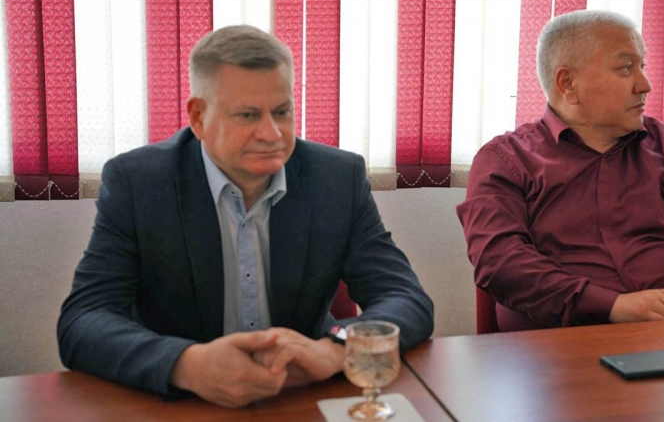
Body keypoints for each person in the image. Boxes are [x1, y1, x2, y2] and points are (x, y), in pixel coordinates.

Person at [58, 25, 434, 407]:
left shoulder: (336, 179)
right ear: (198, 117)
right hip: (184, 403)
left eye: (282, 112)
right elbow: (84, 319)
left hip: (299, 396)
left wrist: (335, 349)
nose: (271, 134)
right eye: (248, 115)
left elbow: (405, 297)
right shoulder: (139, 183)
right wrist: (186, 364)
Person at [457, 10, 664, 331]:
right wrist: (613, 307)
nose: (645, 85)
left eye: (642, 67)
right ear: (568, 83)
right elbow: (500, 261)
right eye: (626, 68)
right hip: (556, 344)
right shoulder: (505, 160)